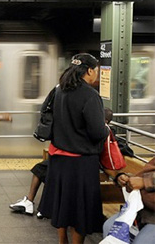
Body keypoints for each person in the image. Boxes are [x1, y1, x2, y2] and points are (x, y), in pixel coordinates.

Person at [37, 53, 110, 244]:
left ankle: (63, 241)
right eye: (96, 70)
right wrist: (106, 128)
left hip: (59, 161)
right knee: (80, 212)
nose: (97, 75)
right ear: (89, 71)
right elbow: (96, 132)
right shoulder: (90, 95)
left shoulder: (60, 90)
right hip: (81, 164)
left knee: (64, 206)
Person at [103, 156, 155, 244]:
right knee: (109, 227)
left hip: (152, 216)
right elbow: (142, 175)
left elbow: (144, 180)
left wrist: (145, 182)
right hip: (140, 210)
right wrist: (126, 179)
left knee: (142, 241)